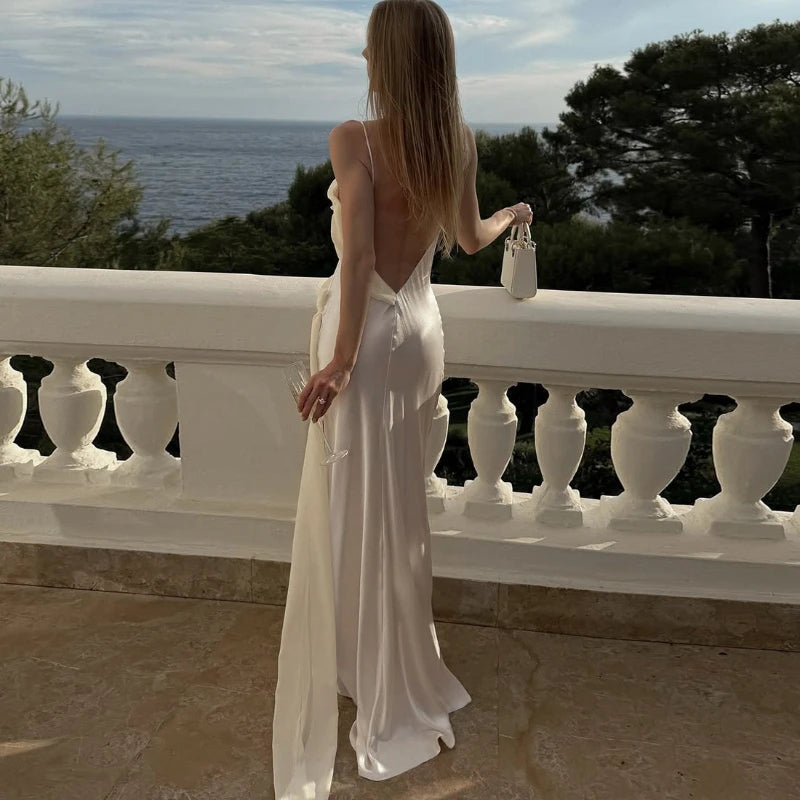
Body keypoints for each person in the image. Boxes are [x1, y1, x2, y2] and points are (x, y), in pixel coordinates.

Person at [271, 1, 533, 797]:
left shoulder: (355, 139)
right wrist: (514, 215)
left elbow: (356, 258)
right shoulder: (453, 143)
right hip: (420, 331)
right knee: (398, 509)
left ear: (385, 58)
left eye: (368, 44)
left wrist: (341, 359)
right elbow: (468, 236)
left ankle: (361, 664)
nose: (359, 50)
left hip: (369, 339)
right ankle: (388, 661)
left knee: (356, 506)